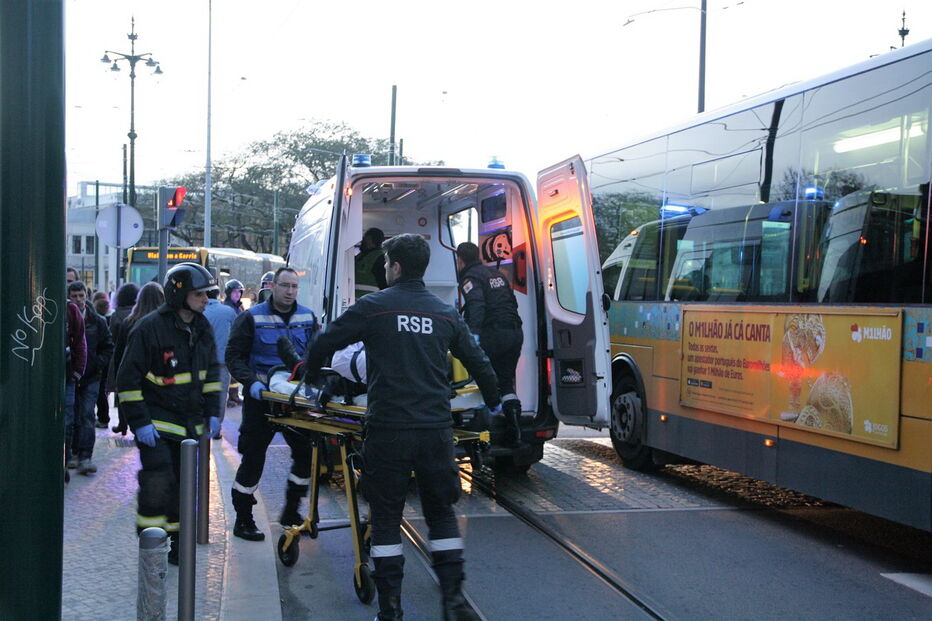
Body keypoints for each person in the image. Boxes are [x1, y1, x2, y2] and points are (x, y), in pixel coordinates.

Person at [304, 233, 500, 621]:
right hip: (435, 431)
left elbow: (326, 340)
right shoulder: (443, 311)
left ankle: (390, 609)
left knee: (387, 517)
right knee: (441, 514)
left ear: (394, 266)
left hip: (389, 429)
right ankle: (453, 599)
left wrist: (313, 376)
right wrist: (495, 402)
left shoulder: (375, 307)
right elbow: (479, 362)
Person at [116, 263, 221, 565]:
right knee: (158, 482)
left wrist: (213, 412)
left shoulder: (202, 327)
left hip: (190, 424)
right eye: (199, 294)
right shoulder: (149, 328)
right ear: (179, 294)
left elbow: (212, 372)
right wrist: (140, 423)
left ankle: (176, 543)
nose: (205, 300)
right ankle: (150, 541)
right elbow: (127, 380)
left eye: (207, 294)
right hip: (157, 423)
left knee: (182, 487)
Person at [226, 267, 319, 541]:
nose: (290, 292)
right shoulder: (250, 318)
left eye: (294, 287)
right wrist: (249, 382)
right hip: (261, 402)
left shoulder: (307, 316)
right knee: (253, 460)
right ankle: (243, 519)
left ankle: (291, 510)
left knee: (305, 457)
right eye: (285, 286)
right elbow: (233, 356)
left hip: (295, 402)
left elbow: (315, 355)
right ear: (273, 286)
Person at [455, 241, 524, 446]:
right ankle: (515, 431)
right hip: (514, 333)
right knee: (505, 380)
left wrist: (473, 336)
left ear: (460, 260)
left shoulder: (471, 277)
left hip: (493, 333)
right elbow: (512, 302)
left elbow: (476, 305)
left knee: (480, 375)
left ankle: (481, 422)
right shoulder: (497, 275)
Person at [67, 281, 114, 475]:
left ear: (87, 296)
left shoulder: (97, 321)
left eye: (81, 296)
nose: (78, 300)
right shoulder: (67, 317)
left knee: (86, 414)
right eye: (74, 296)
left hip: (91, 376)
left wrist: (97, 364)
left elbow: (108, 345)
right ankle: (72, 453)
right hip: (71, 375)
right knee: (71, 416)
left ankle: (85, 456)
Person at [110, 282, 160, 435]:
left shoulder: (130, 321)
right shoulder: (163, 322)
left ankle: (133, 426)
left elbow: (118, 353)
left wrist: (114, 378)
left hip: (134, 373)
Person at [203, 286, 236, 439]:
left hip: (201, 361)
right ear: (218, 295)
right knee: (221, 394)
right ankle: (216, 427)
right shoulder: (228, 312)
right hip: (222, 362)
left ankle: (201, 424)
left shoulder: (199, 311)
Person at [65, 299, 87, 484]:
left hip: (66, 377)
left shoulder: (70, 310)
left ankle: (64, 462)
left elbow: (80, 342)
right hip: (67, 376)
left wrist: (77, 372)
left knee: (67, 422)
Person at [354, 227, 388, 299]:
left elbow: (383, 283)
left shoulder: (380, 258)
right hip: (354, 300)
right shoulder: (358, 257)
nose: (362, 240)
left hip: (371, 301)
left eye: (364, 238)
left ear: (369, 239)